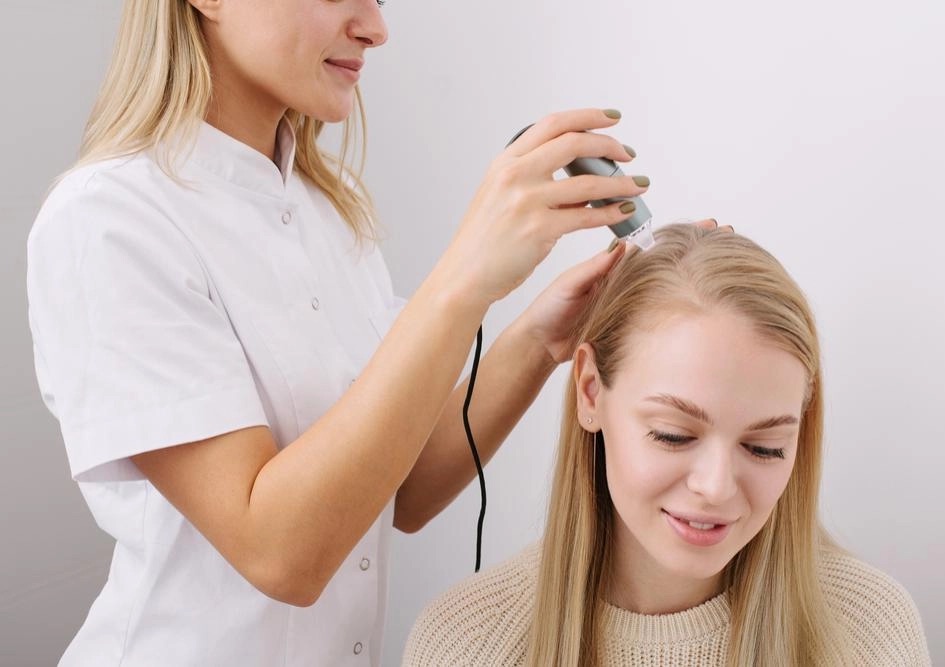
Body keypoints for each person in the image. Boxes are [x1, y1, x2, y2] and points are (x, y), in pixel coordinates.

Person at [24, 0, 658, 665]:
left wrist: (540, 340)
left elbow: (402, 491)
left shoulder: (327, 208)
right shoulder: (110, 221)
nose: (375, 29)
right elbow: (279, 553)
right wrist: (465, 277)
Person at [403, 224, 932, 666]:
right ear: (591, 391)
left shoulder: (868, 630)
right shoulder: (469, 644)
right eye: (673, 435)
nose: (716, 488)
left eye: (765, 447)